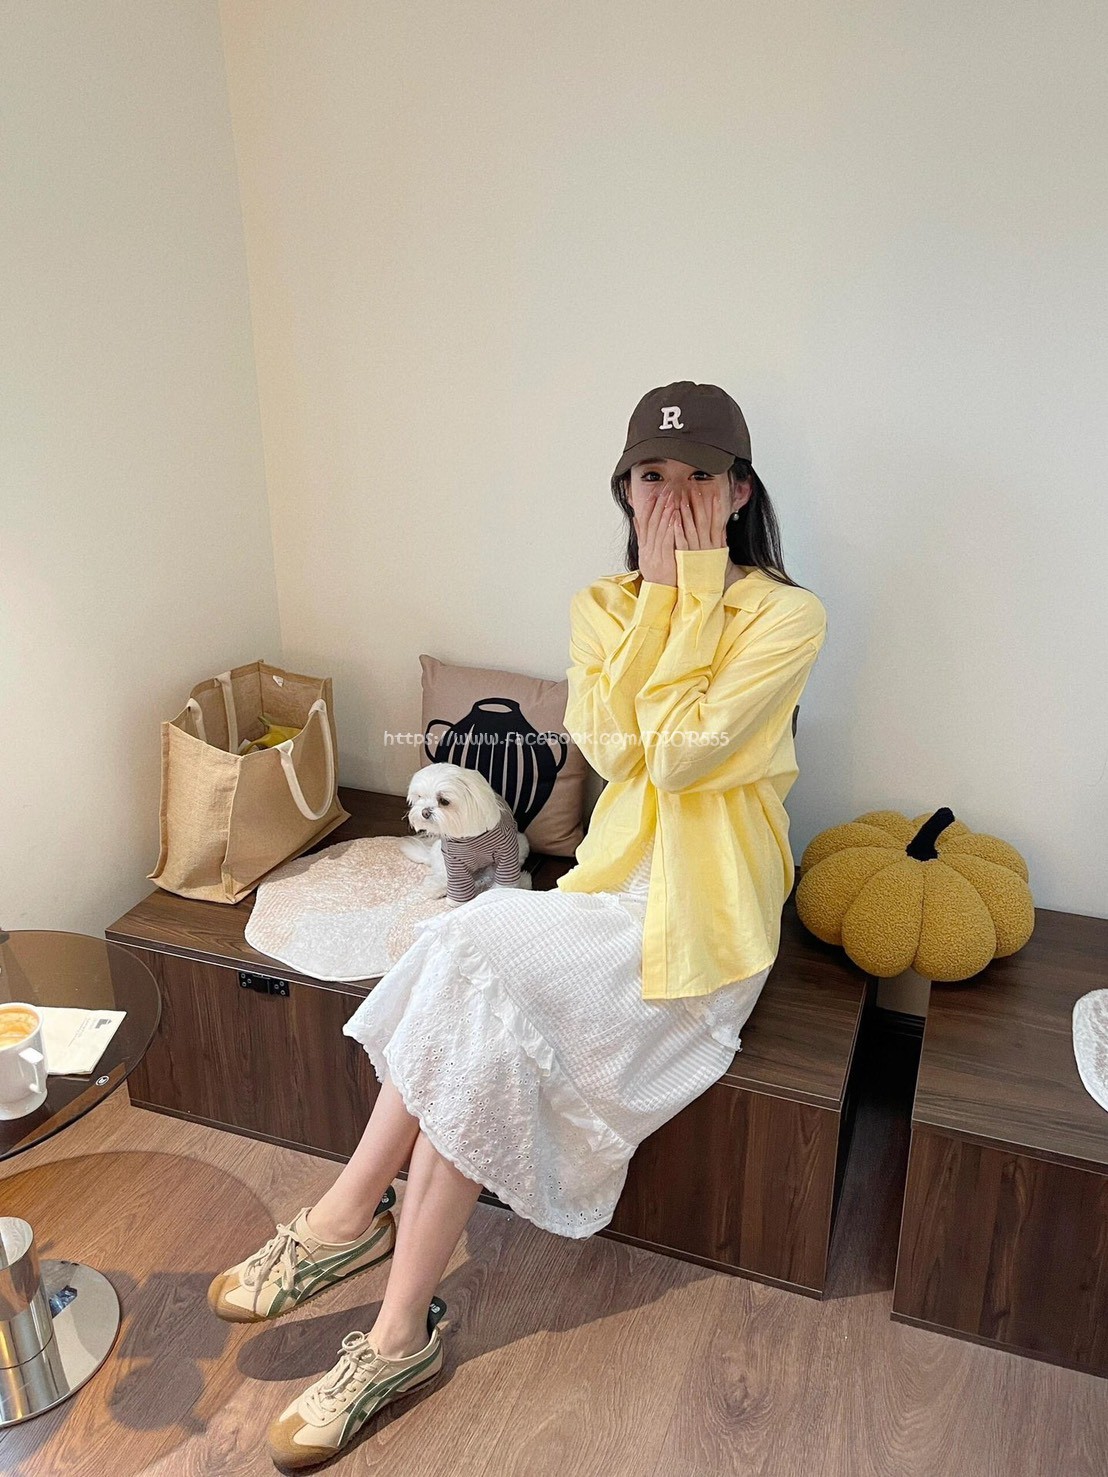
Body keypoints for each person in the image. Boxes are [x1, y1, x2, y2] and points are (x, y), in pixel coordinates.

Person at [208, 380, 828, 1470]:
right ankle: (390, 1320)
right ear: (624, 491)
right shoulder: (601, 607)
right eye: (651, 477)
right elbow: (618, 752)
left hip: (709, 917)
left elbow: (684, 759)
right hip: (608, 888)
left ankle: (347, 1226)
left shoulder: (786, 615)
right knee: (476, 988)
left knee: (471, 954)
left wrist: (686, 595)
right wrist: (657, 599)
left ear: (739, 493)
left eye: (697, 477)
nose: (672, 499)